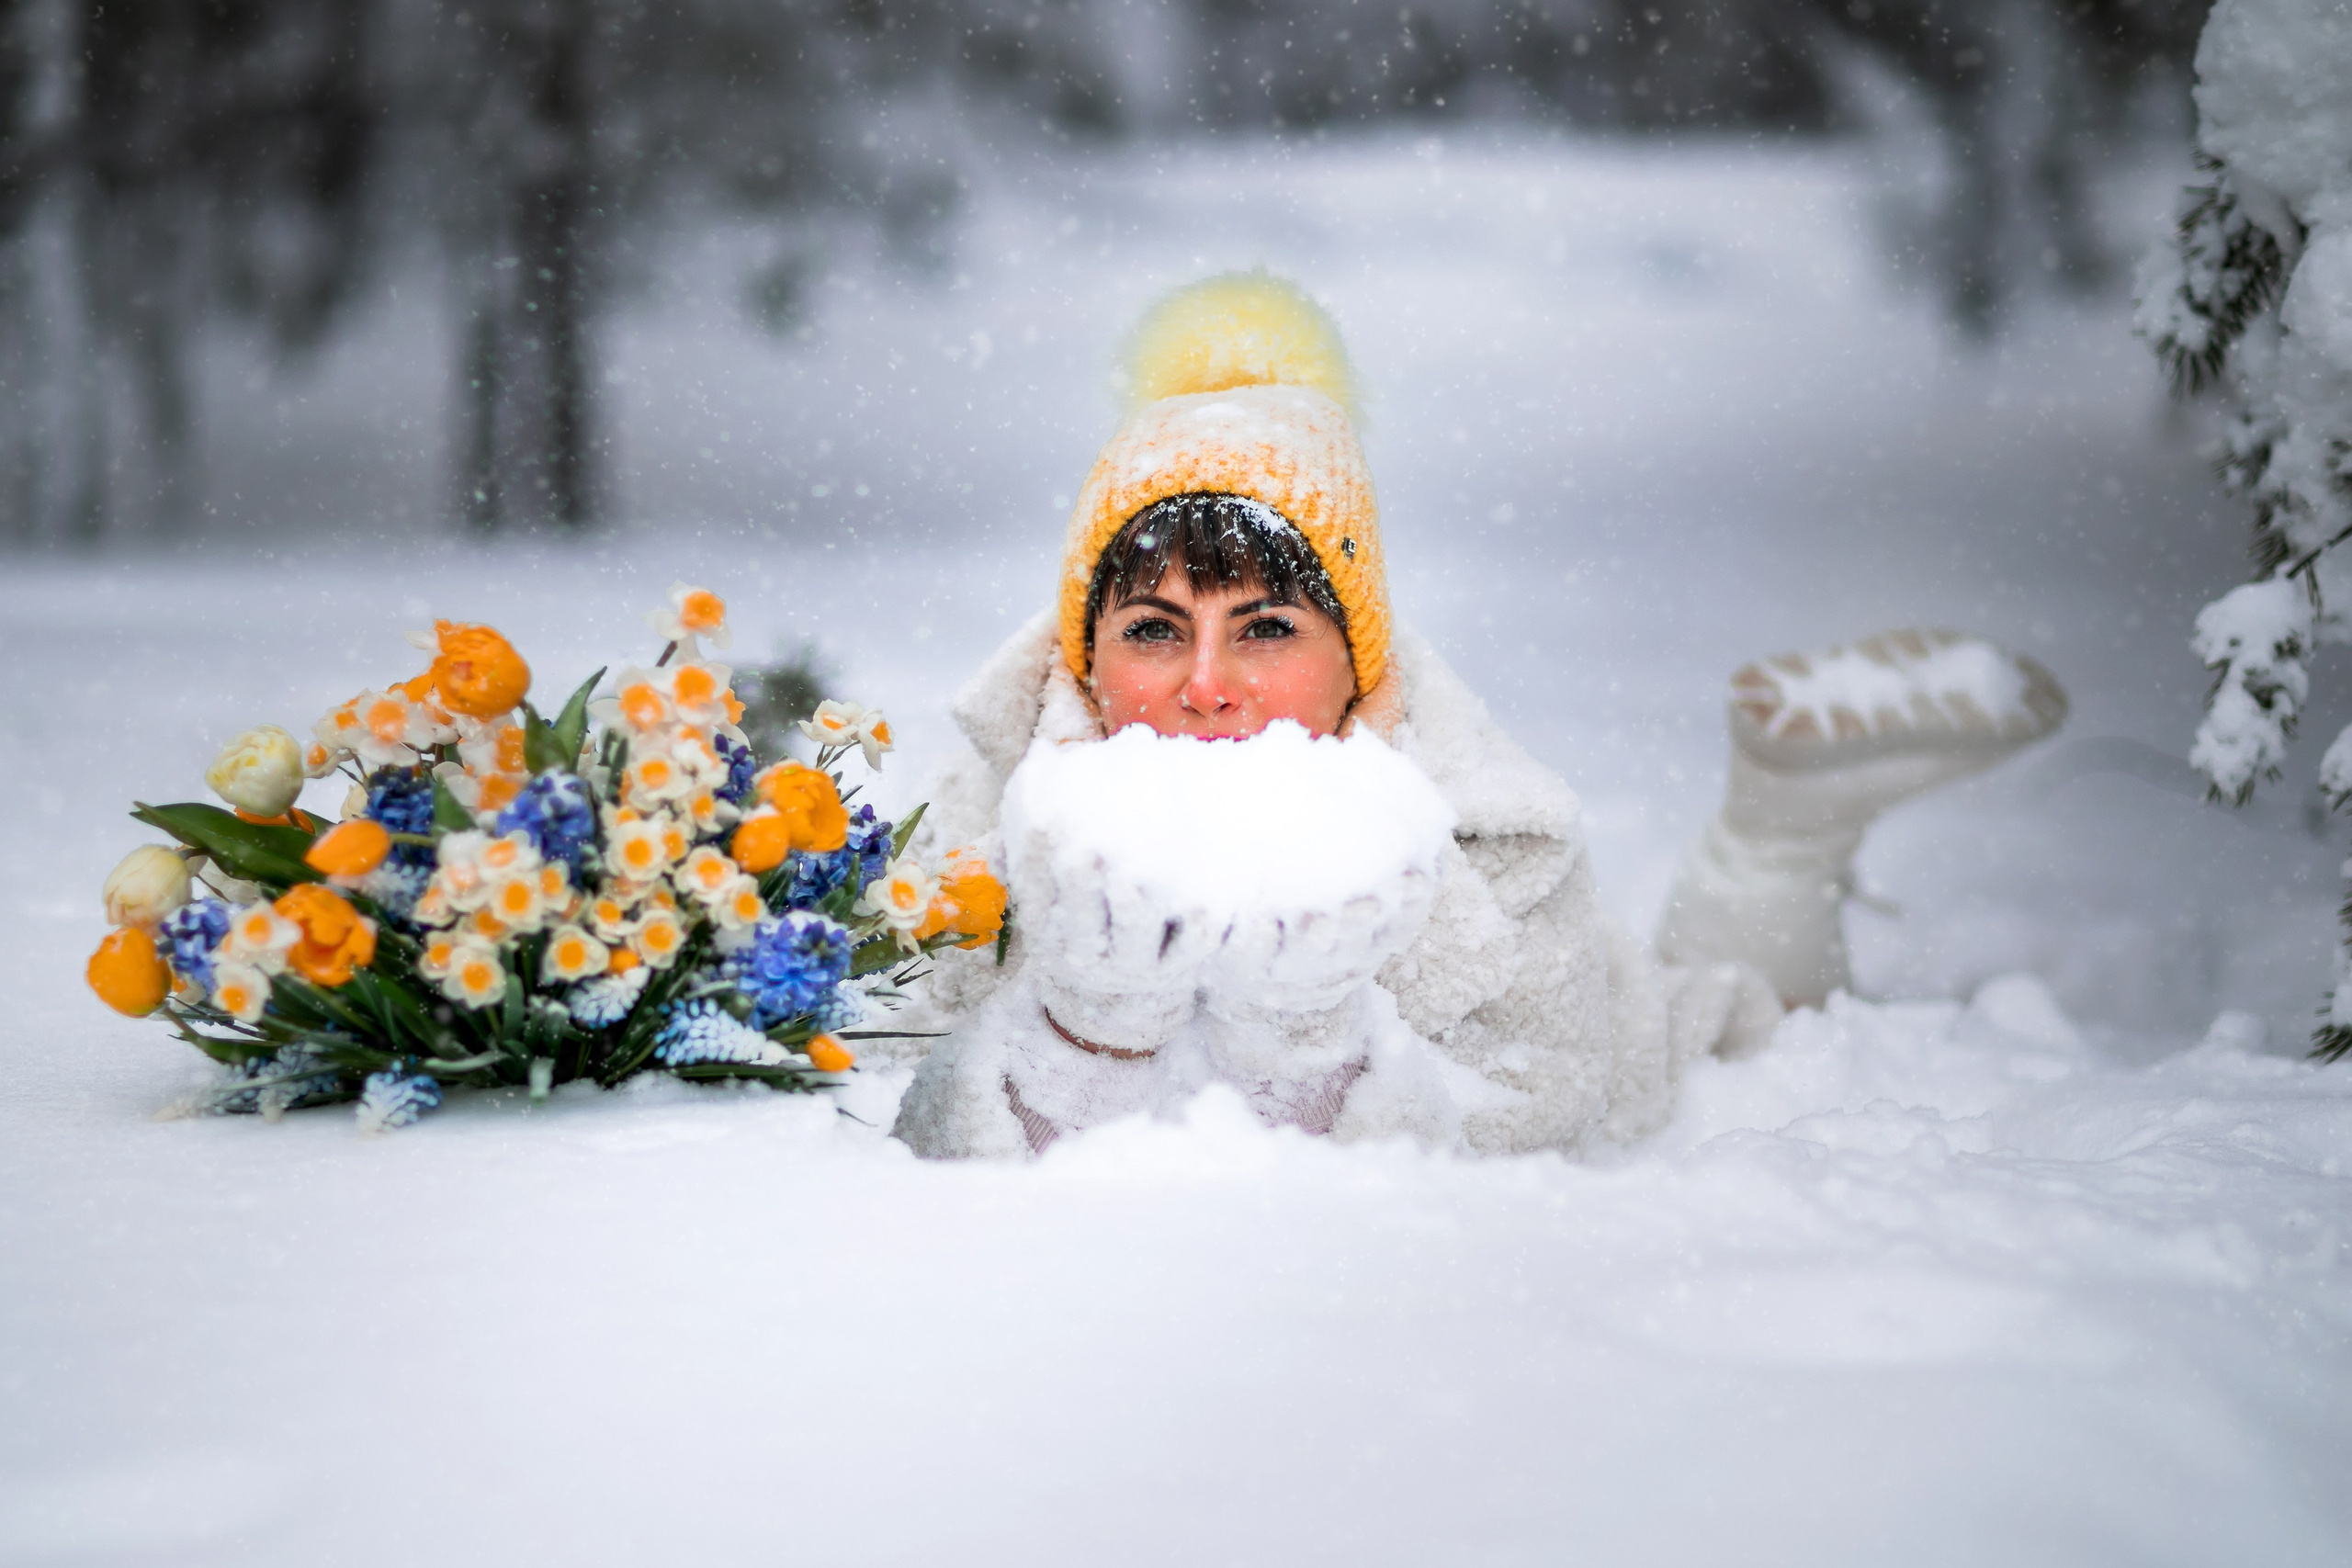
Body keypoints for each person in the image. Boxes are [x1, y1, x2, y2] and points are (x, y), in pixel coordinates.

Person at [891, 273, 2065, 1158]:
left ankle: (1781, 829)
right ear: (1084, 658)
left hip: (1631, 1038)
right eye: (1152, 629)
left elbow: (1538, 1120)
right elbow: (883, 1102)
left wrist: (1307, 1049)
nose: (1207, 685)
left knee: (1729, 1028)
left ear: (1359, 658)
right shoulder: (980, 822)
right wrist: (1089, 1034)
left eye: (1265, 628)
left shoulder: (1482, 825)